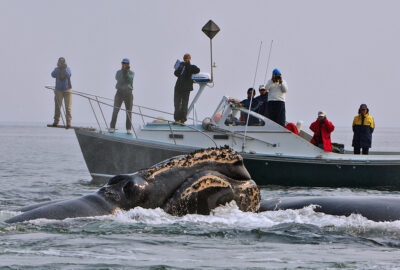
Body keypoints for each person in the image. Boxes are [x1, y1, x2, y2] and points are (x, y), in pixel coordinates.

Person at [110, 58, 135, 134]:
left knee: (129, 112)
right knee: (115, 110)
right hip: (119, 92)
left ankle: (128, 129)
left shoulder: (131, 73)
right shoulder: (118, 72)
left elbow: (129, 80)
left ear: (129, 64)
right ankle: (112, 127)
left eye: (126, 63)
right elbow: (118, 79)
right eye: (123, 63)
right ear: (122, 64)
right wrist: (123, 71)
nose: (125, 64)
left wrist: (126, 72)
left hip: (128, 93)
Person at [173, 53, 200, 124]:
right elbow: (176, 73)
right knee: (177, 104)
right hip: (178, 87)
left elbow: (197, 70)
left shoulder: (191, 67)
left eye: (187, 58)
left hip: (186, 88)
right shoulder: (181, 66)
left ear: (190, 59)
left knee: (184, 104)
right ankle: (177, 119)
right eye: (185, 58)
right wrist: (180, 66)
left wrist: (187, 64)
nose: (186, 59)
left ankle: (183, 120)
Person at [51, 57, 72, 128]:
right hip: (58, 90)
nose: (60, 63)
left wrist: (64, 69)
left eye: (61, 62)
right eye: (59, 62)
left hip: (67, 90)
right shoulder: (56, 69)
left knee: (68, 107)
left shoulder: (67, 69)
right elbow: (52, 75)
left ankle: (68, 123)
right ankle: (56, 121)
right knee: (57, 106)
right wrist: (58, 68)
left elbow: (69, 75)